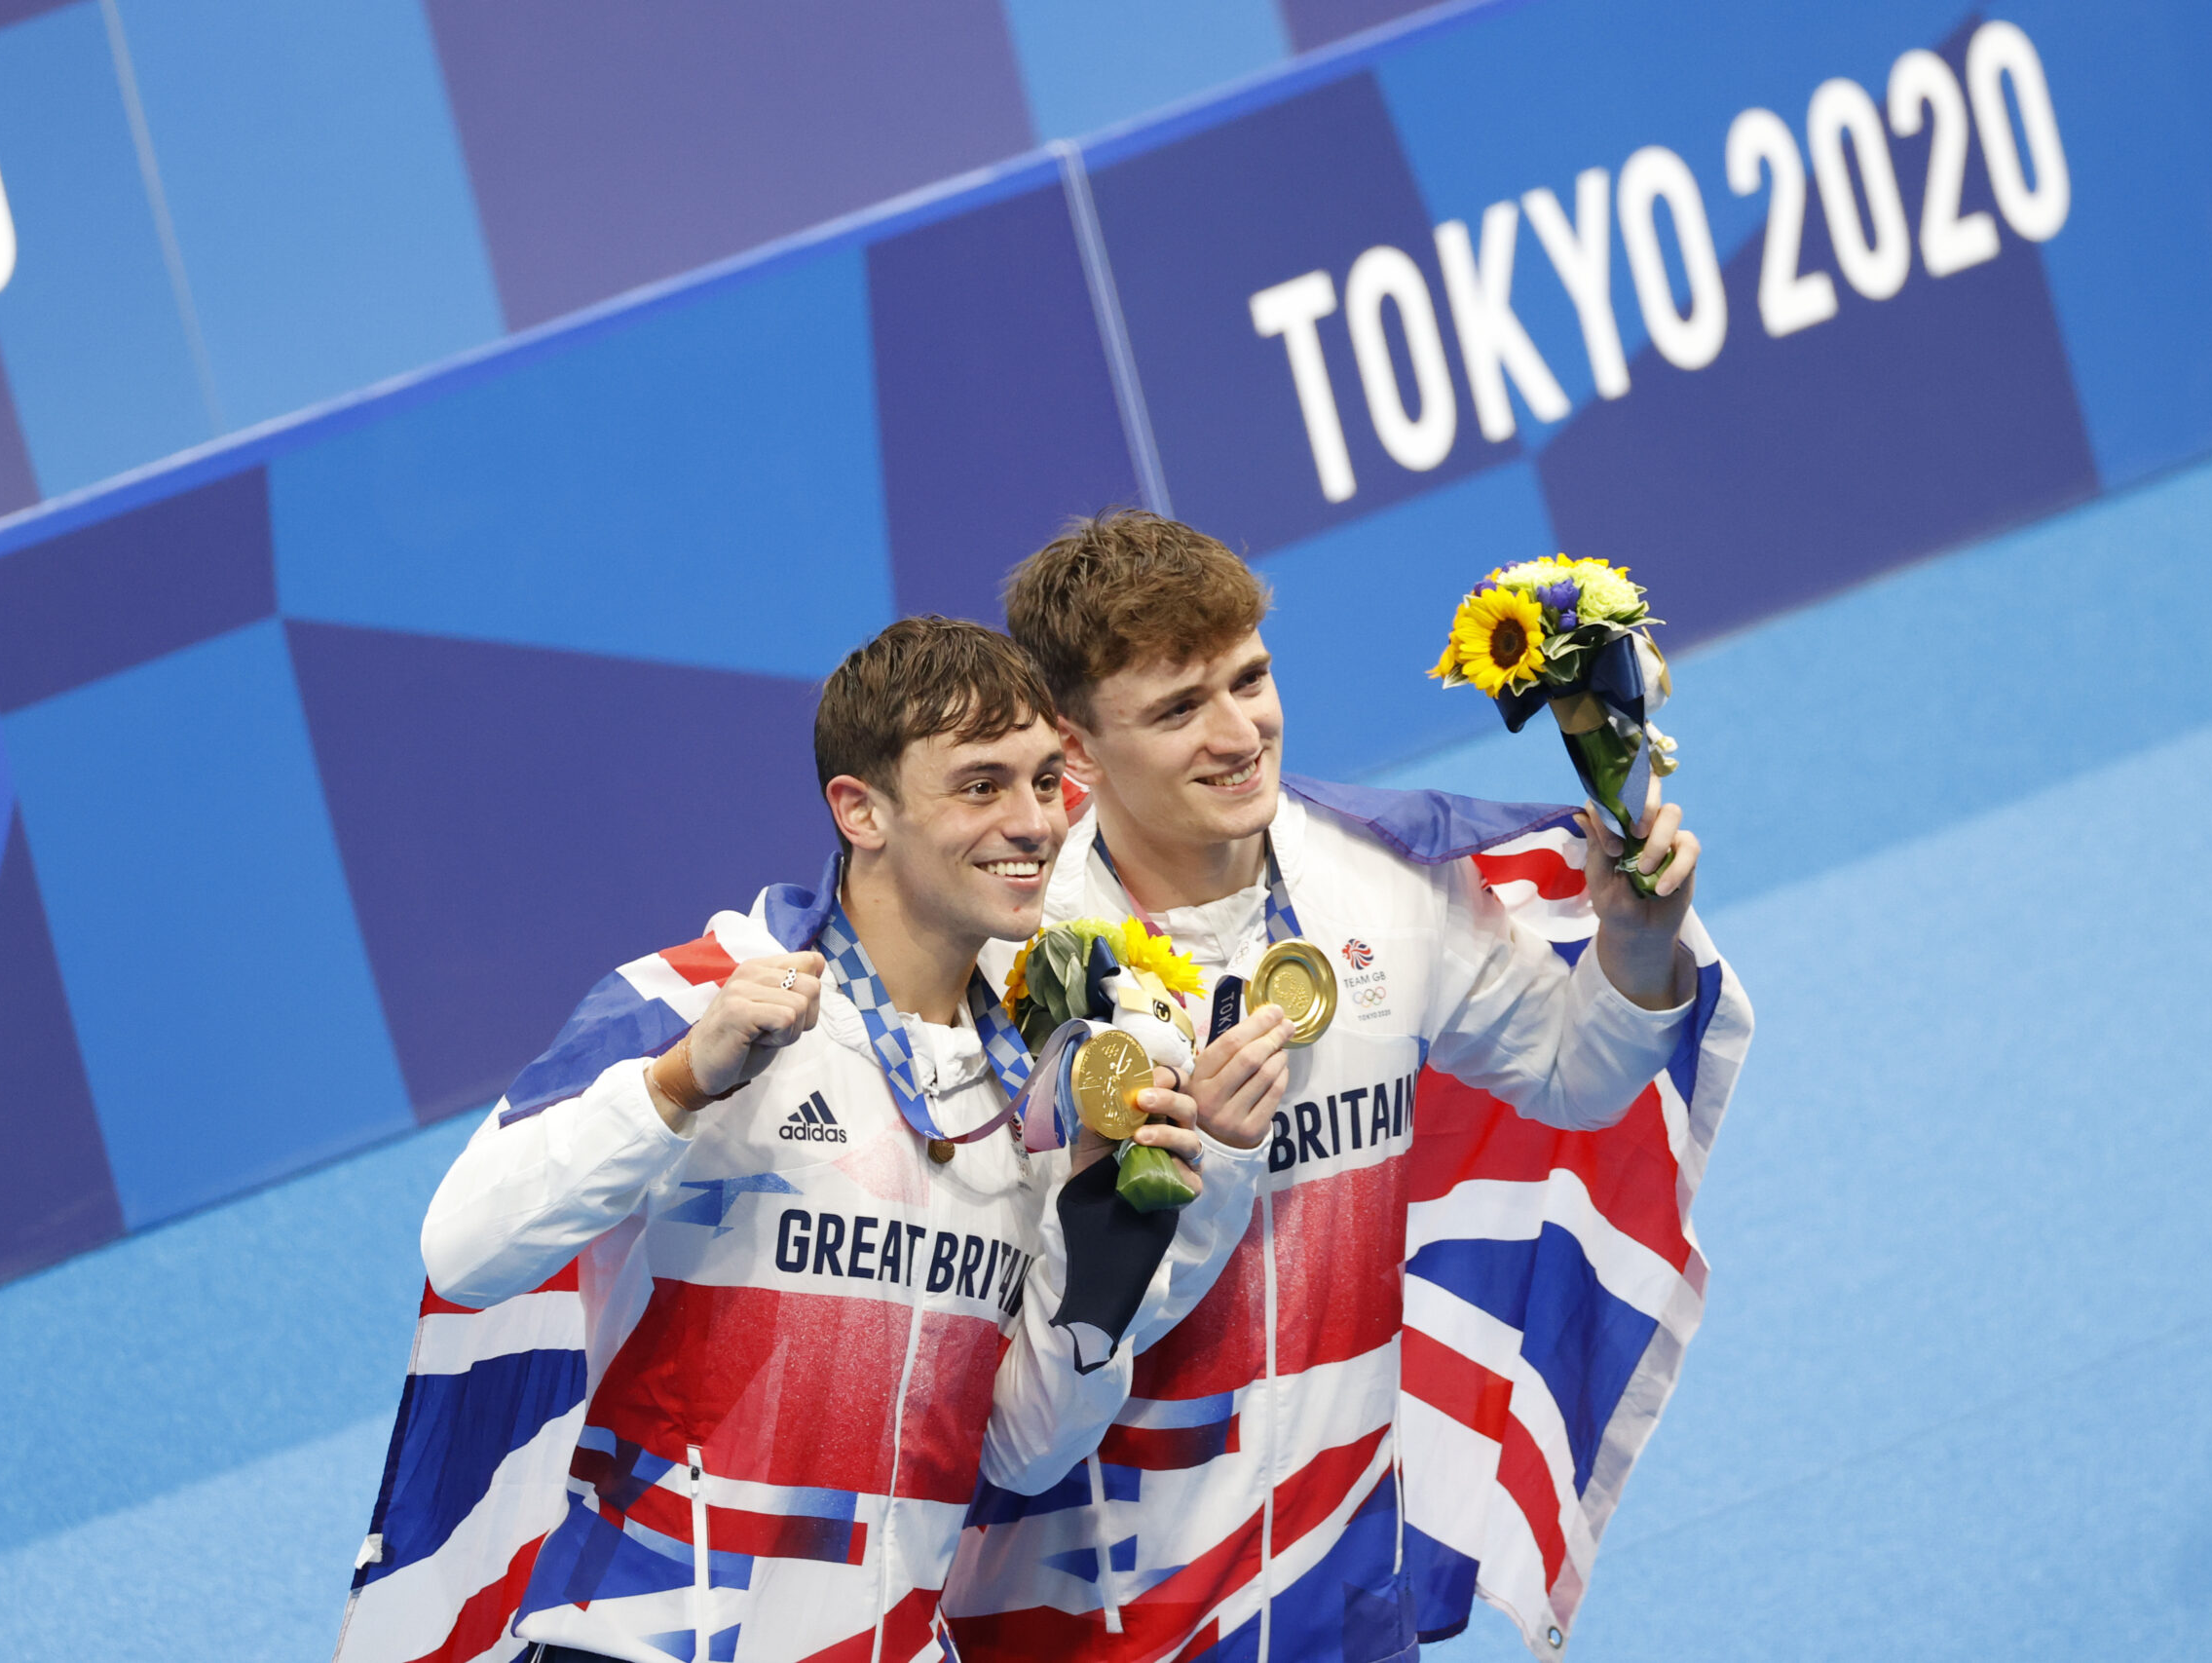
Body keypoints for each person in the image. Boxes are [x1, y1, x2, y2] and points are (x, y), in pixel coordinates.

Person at [385, 618, 1287, 1663]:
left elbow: (1029, 1446)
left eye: (1046, 782)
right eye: (981, 785)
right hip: (645, 1639)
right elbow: (465, 1251)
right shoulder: (699, 996)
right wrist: (679, 1083)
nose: (1034, 822)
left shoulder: (1049, 1078)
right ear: (861, 810)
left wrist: (1118, 1238)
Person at [940, 513, 1748, 1662]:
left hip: (1338, 1568)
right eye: (1178, 709)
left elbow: (1573, 1077)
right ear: (1074, 748)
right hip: (1105, 1601)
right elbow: (1032, 1382)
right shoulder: (1019, 971)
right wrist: (1200, 1169)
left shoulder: (1375, 881)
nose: (1238, 734)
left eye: (1250, 680)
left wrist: (1634, 947)